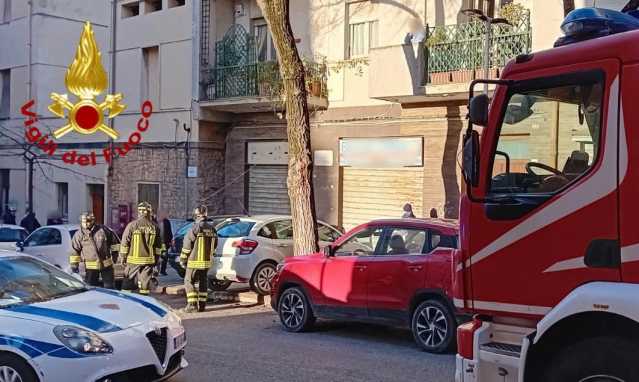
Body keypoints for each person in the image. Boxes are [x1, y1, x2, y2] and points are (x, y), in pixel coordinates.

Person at [119, 202, 162, 295]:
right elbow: (158, 247)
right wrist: (157, 259)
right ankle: (144, 300)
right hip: (148, 261)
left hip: (133, 260)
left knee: (128, 282)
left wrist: (123, 257)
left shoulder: (132, 225)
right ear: (149, 212)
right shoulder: (155, 227)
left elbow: (125, 243)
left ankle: (125, 300)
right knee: (144, 283)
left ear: (139, 212)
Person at [179, 205, 216, 313]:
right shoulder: (212, 229)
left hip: (194, 261)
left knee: (188, 280)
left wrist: (183, 259)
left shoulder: (195, 228)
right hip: (206, 262)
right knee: (203, 282)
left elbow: (187, 245)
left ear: (196, 215)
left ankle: (192, 305)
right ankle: (202, 305)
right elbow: (215, 245)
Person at [68, 212, 116, 288]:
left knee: (109, 287)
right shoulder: (79, 234)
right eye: (84, 222)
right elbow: (74, 251)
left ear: (93, 221)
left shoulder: (103, 230)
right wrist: (74, 266)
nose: (86, 224)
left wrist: (115, 256)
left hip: (106, 265)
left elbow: (114, 243)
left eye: (88, 221)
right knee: (91, 288)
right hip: (90, 267)